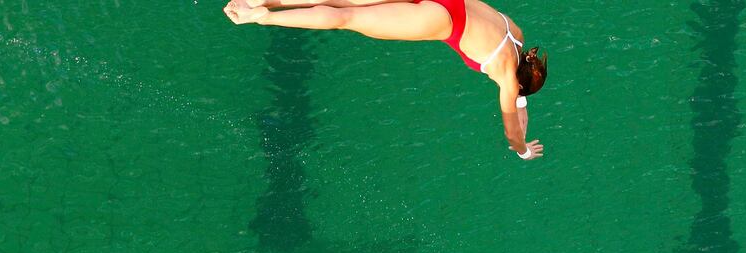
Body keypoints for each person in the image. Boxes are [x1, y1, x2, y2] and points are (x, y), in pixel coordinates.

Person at [223, 0, 548, 160]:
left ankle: (258, 1)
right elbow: (512, 131)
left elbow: (520, 105)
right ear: (518, 85)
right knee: (346, 18)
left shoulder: (515, 35)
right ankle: (263, 16)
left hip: (452, 3)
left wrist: (521, 102)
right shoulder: (506, 75)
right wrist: (522, 151)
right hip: (441, 20)